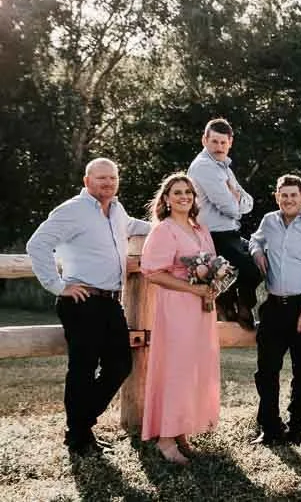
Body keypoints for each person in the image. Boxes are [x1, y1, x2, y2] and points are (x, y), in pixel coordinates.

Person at [26, 158, 150, 456]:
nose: (108, 183)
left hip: (110, 302)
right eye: (101, 178)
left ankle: (80, 427)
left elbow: (135, 226)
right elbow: (37, 244)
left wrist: (173, 225)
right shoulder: (72, 210)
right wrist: (58, 286)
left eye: (112, 178)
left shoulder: (117, 210)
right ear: (87, 181)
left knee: (120, 365)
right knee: (82, 369)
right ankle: (79, 437)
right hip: (81, 302)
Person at [139, 173, 220, 465]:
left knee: (194, 369)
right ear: (166, 199)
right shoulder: (164, 230)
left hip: (202, 309)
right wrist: (192, 288)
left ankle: (181, 430)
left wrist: (213, 285)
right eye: (177, 192)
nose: (184, 196)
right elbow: (153, 272)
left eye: (188, 192)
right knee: (176, 369)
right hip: (176, 308)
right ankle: (165, 438)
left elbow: (212, 265)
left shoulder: (201, 229)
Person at [249, 175, 301, 447]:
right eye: (283, 195)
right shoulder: (269, 221)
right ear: (277, 197)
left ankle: (297, 427)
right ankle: (270, 428)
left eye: (293, 195)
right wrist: (257, 251)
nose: (288, 200)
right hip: (273, 306)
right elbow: (254, 240)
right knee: (266, 370)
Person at [187, 117, 261, 329]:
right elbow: (229, 208)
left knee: (263, 256)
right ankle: (236, 306)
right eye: (214, 142)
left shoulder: (223, 167)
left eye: (223, 142)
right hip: (214, 235)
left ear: (230, 142)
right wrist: (236, 200)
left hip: (230, 233)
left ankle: (233, 302)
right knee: (251, 269)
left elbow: (249, 202)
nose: (219, 147)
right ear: (204, 140)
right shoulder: (204, 166)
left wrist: (236, 199)